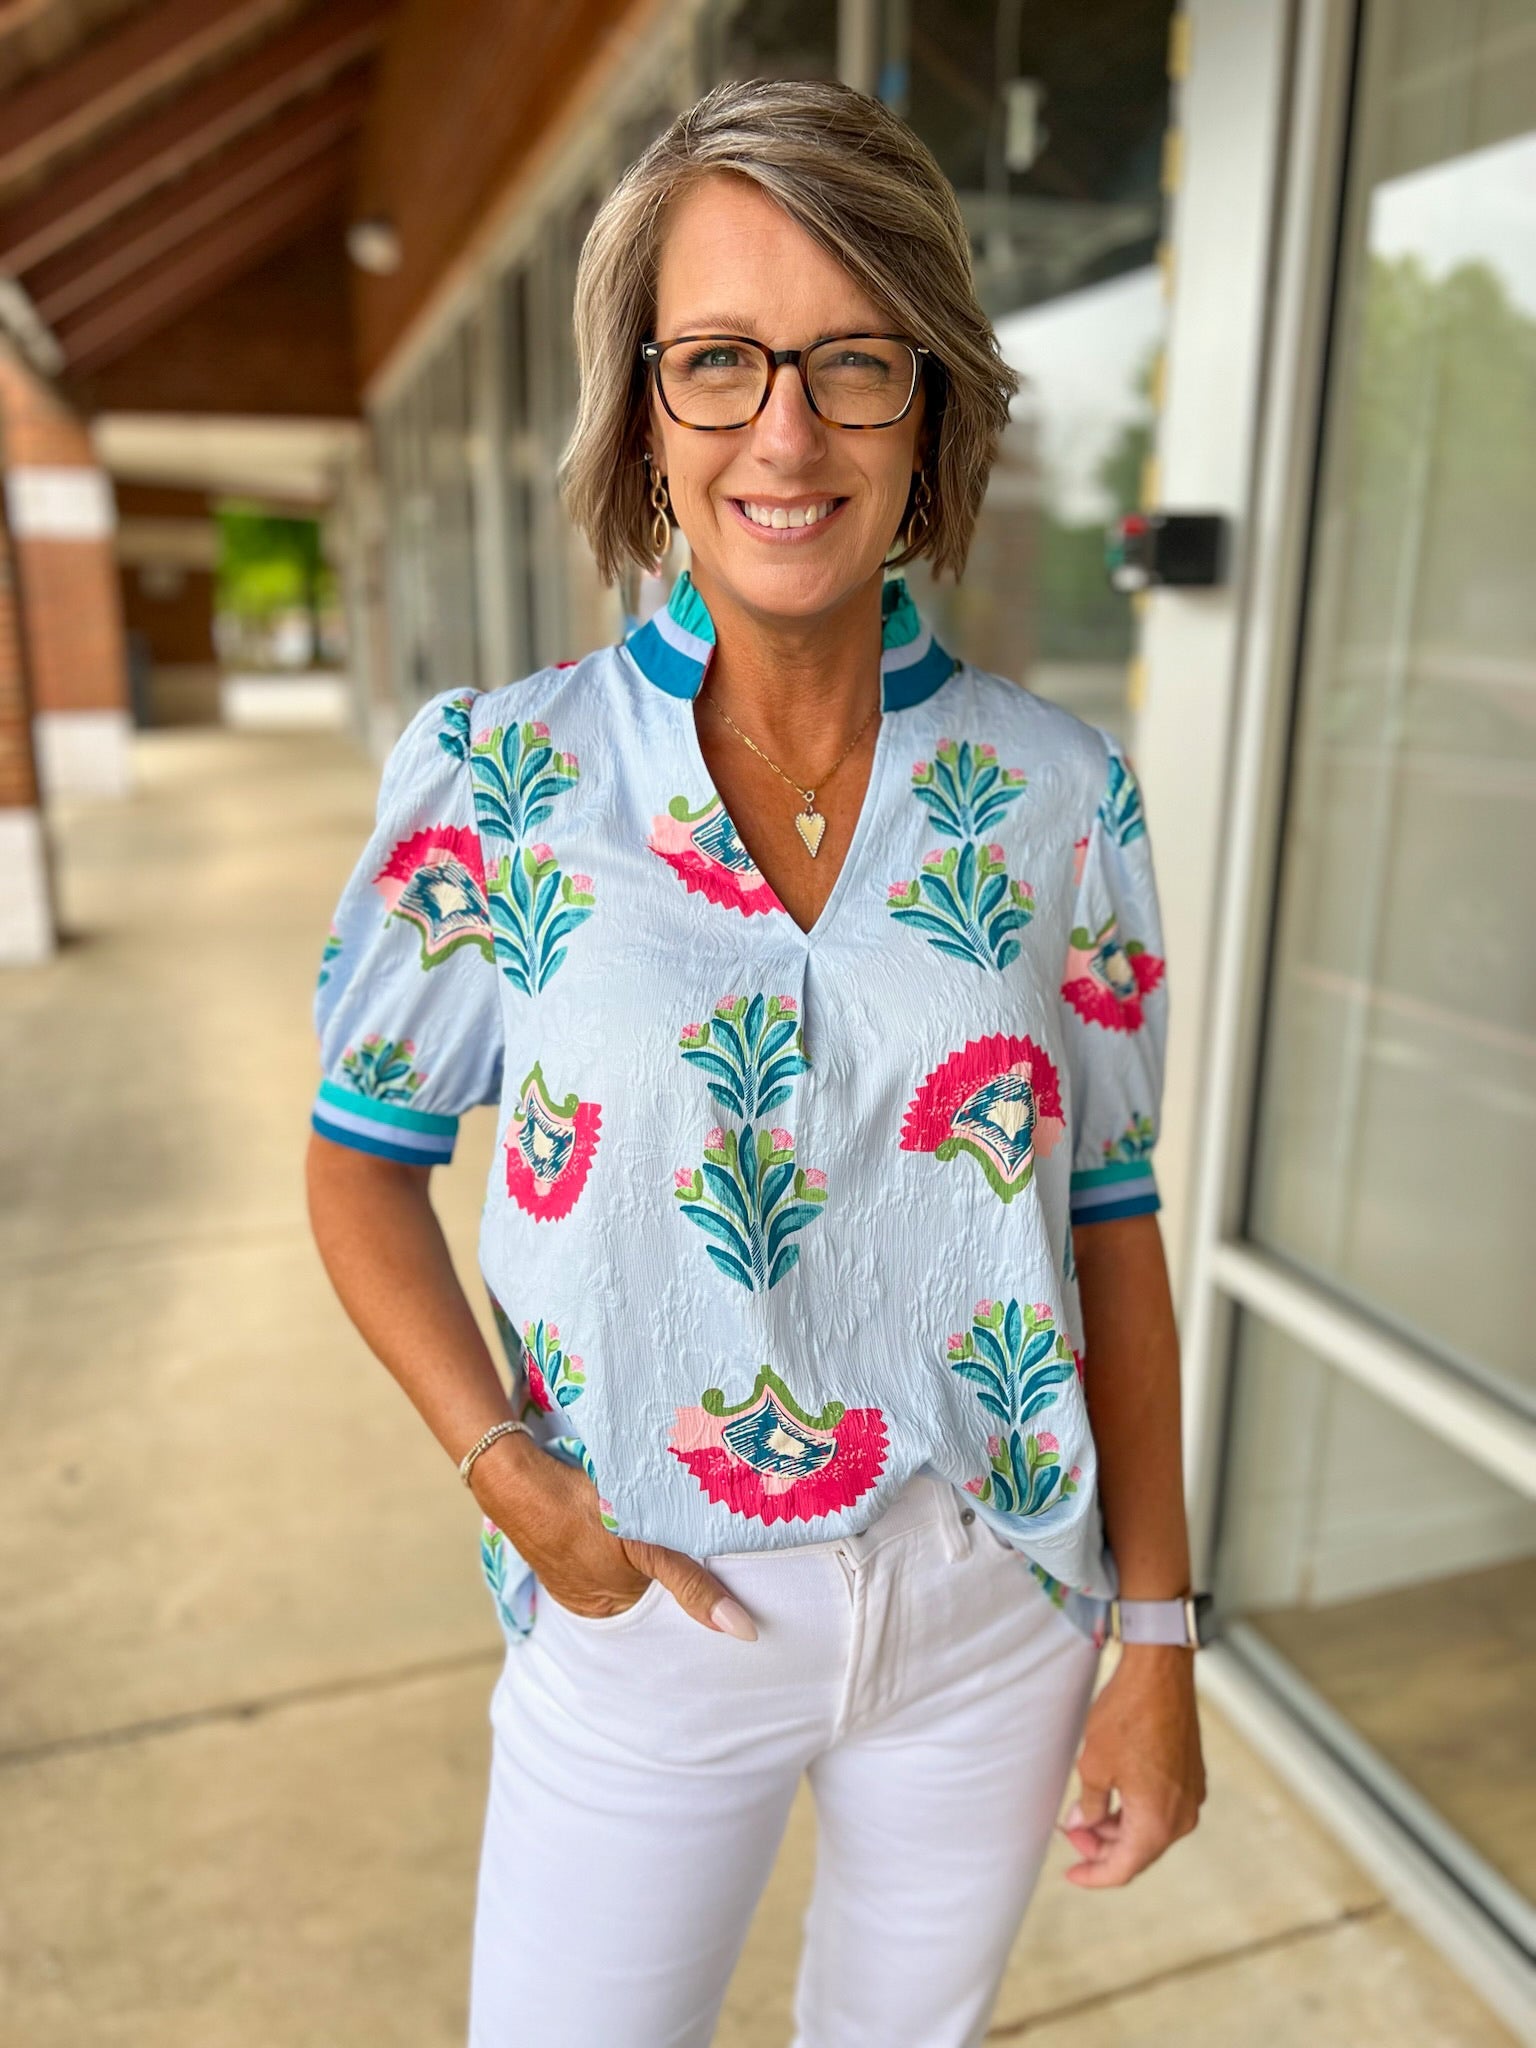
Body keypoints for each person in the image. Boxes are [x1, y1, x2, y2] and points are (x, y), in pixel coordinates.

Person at [306, 76, 1207, 2048]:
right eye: (717, 360)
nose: (782, 430)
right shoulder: (501, 781)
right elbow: (358, 1157)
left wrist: (1155, 1634)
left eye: (851, 363)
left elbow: (1114, 1226)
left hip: (992, 1614)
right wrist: (505, 1467)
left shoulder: (1060, 801)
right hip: (651, 1609)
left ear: (933, 409)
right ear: (643, 410)